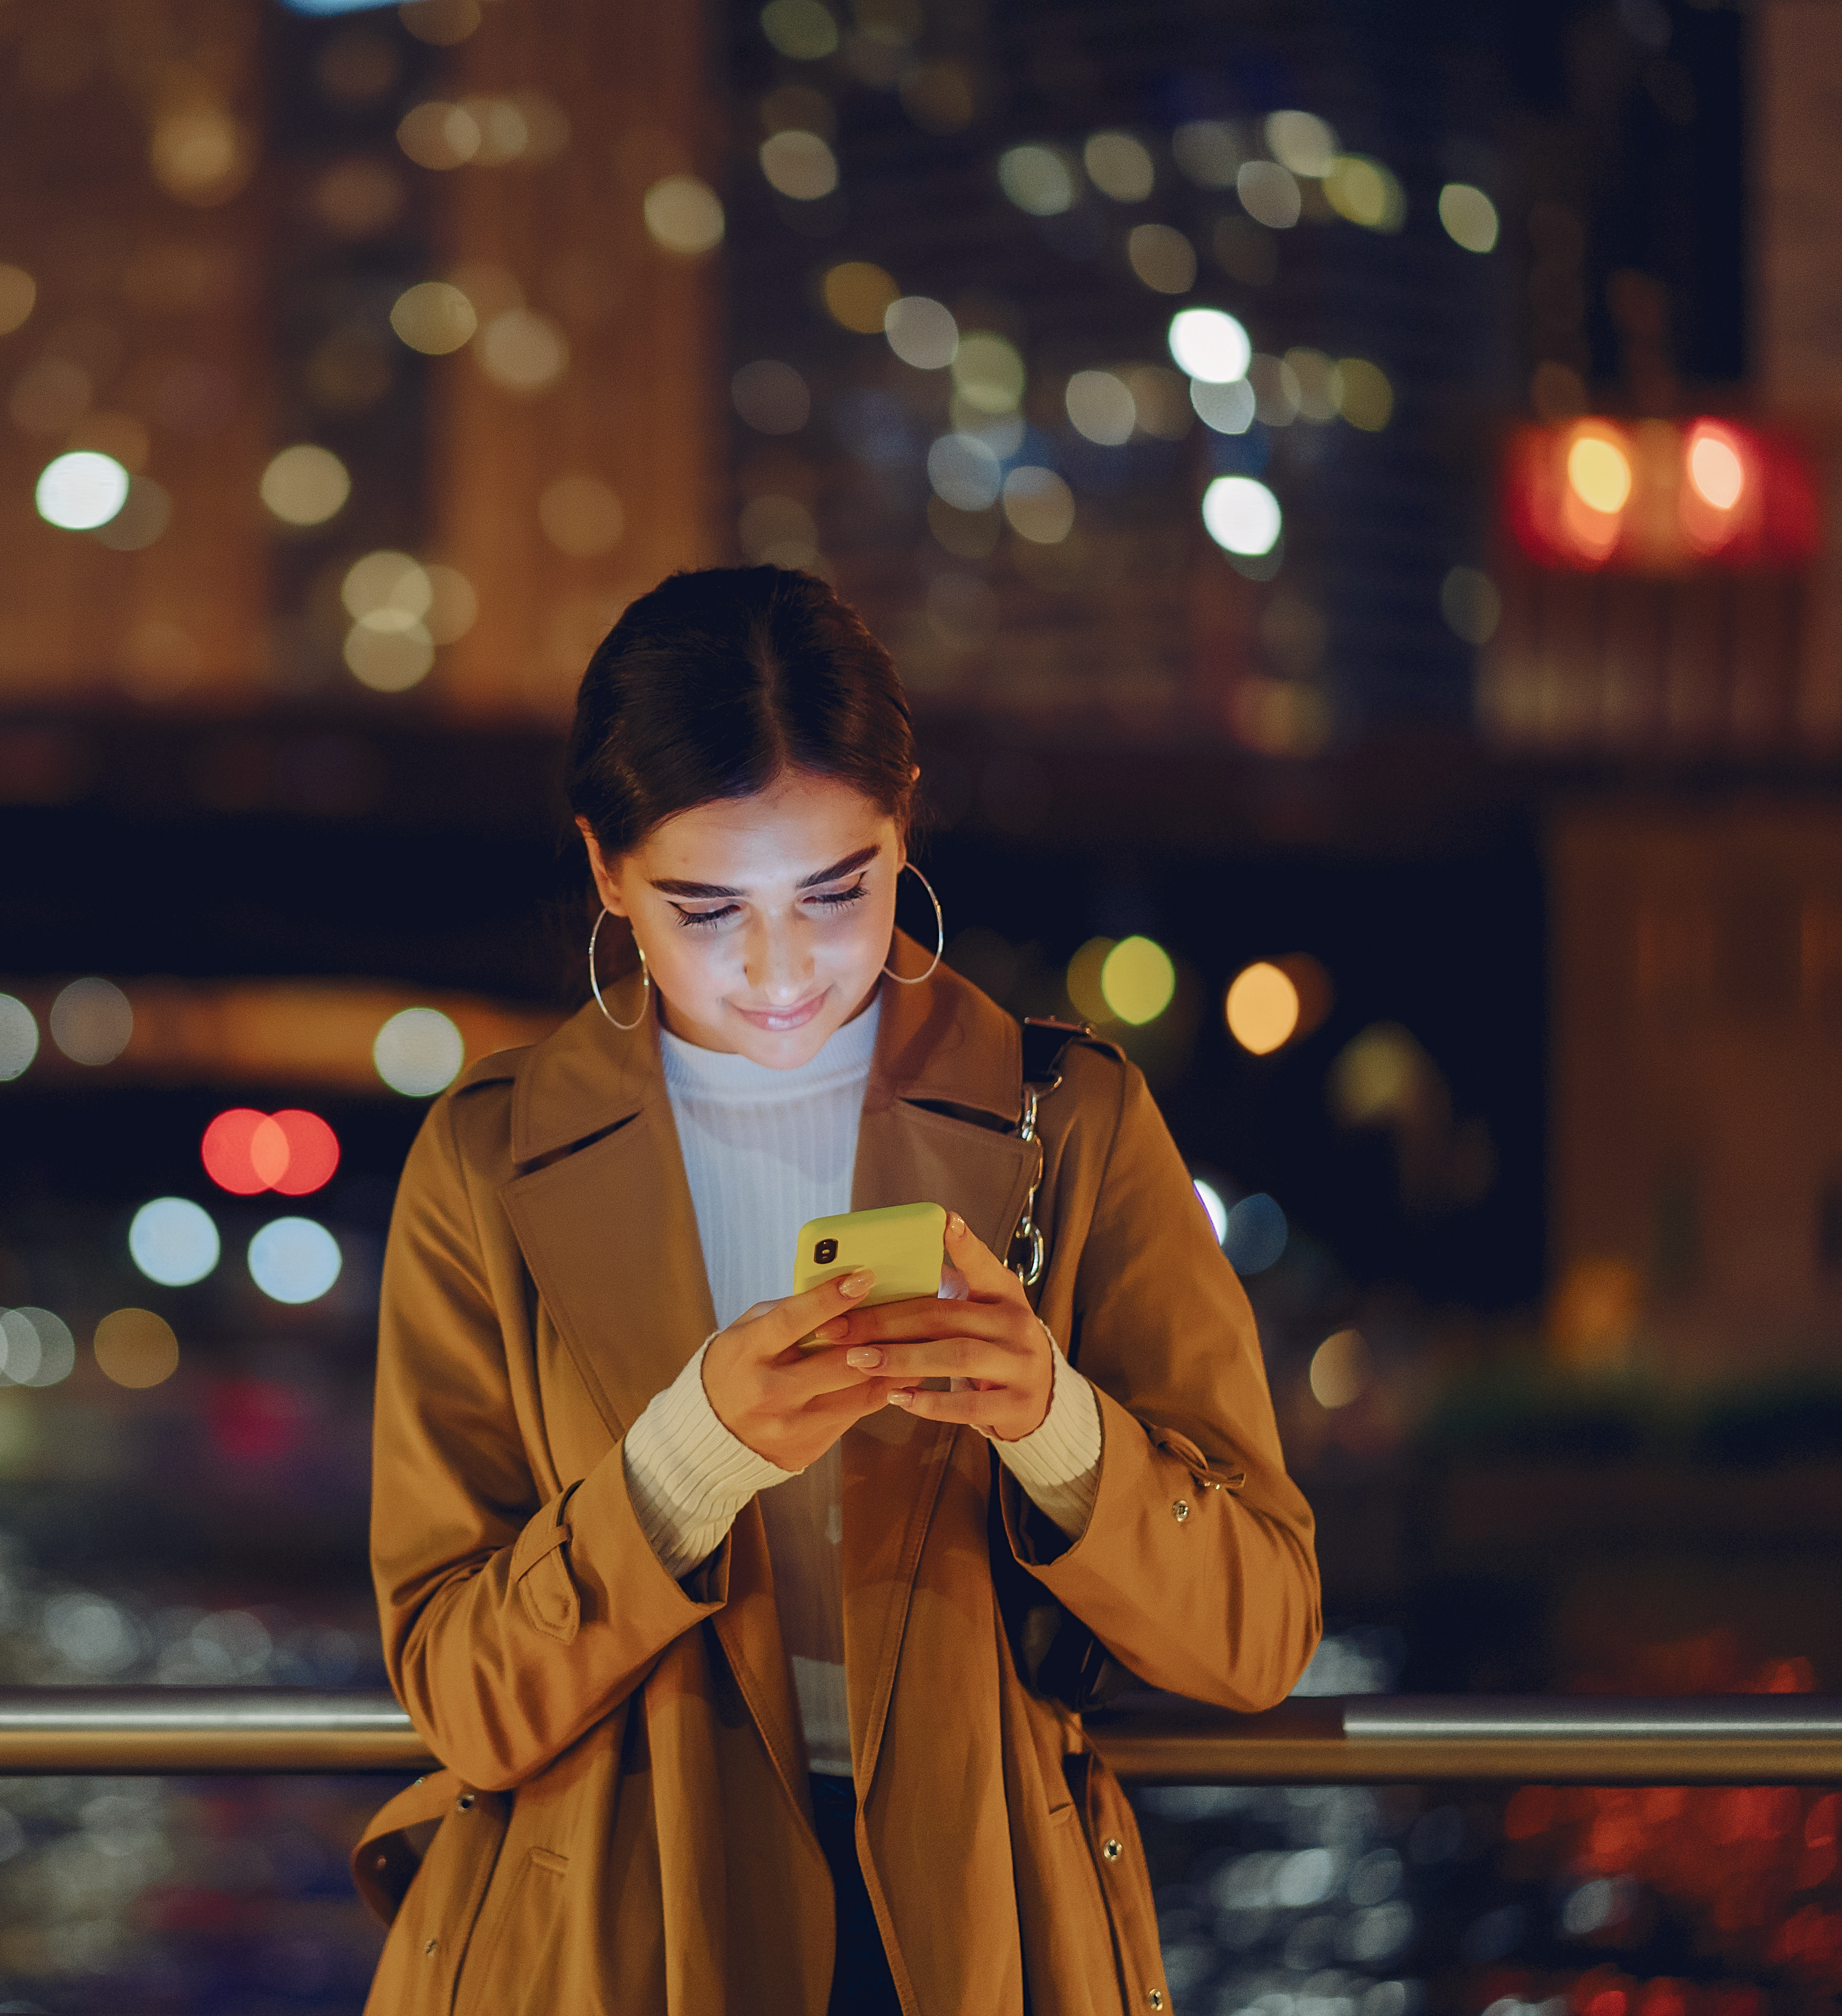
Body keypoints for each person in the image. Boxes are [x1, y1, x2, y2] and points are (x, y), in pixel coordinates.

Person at [350, 567, 1319, 2014]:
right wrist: (684, 1464)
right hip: (617, 1933)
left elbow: (1257, 1636)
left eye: (836, 891)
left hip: (982, 1923)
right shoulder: (488, 1160)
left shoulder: (1071, 1121)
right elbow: (463, 1695)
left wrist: (1053, 1422)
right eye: (706, 910)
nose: (783, 967)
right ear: (606, 872)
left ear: (903, 820)